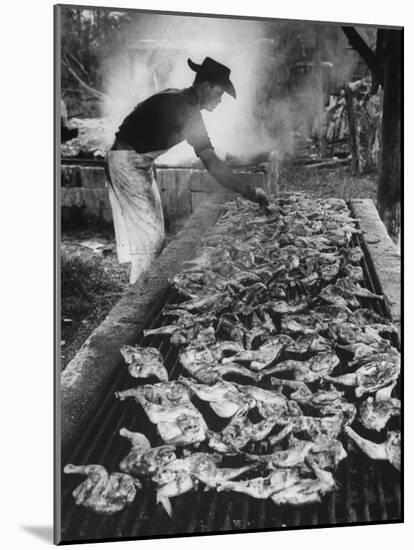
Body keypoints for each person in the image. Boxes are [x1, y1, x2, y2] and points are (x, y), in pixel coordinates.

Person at [105, 56, 269, 284]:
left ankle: (146, 285)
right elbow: (213, 165)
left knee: (153, 235)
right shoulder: (186, 109)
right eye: (219, 93)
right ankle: (140, 294)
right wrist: (251, 192)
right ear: (205, 86)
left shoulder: (181, 100)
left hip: (138, 162)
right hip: (126, 162)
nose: (220, 100)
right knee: (149, 239)